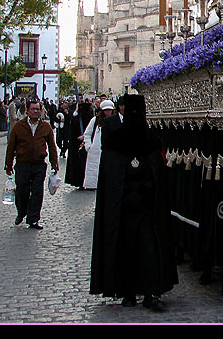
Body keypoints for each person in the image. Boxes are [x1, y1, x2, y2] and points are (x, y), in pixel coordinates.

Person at [90, 94, 178, 311]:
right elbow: (111, 177)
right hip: (123, 208)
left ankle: (151, 292)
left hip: (148, 207)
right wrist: (127, 194)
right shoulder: (115, 141)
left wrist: (144, 190)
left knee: (149, 248)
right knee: (125, 248)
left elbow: (158, 174)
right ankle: (127, 292)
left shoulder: (151, 140)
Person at [4, 101, 59, 229]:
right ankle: (22, 212)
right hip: (23, 163)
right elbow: (11, 146)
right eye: (33, 109)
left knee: (37, 192)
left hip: (39, 164)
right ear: (27, 111)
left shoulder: (46, 127)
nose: (35, 111)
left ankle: (33, 218)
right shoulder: (19, 126)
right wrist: (8, 164)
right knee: (21, 191)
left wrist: (54, 163)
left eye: (37, 109)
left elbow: (52, 146)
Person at [82, 99, 115, 190]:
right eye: (106, 110)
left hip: (109, 149)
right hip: (95, 150)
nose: (108, 112)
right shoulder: (95, 120)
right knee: (94, 168)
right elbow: (87, 133)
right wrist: (88, 146)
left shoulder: (114, 120)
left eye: (109, 110)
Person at [65, 101, 93, 189]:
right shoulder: (76, 117)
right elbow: (73, 125)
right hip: (76, 143)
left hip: (86, 143)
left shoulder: (89, 117)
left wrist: (85, 136)